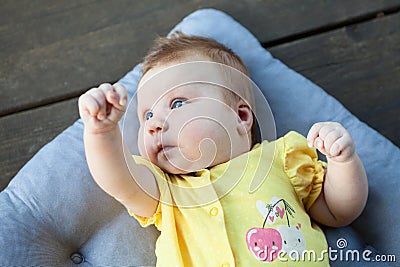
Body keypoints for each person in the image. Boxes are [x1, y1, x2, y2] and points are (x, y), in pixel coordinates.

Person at [78, 32, 368, 266]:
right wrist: (101, 132)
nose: (154, 125)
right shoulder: (166, 189)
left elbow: (337, 210)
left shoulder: (281, 160)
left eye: (177, 103)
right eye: (147, 116)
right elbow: (117, 178)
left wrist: (343, 161)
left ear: (241, 117)